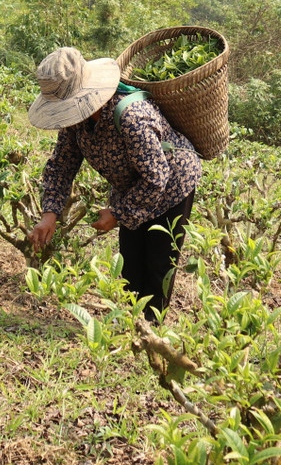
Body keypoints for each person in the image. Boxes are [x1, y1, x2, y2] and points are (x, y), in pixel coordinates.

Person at [26, 47, 202, 322]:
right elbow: (62, 164)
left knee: (158, 264)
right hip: (130, 188)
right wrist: (50, 214)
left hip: (172, 186)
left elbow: (156, 178)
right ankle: (131, 325)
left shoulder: (132, 118)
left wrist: (118, 214)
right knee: (131, 262)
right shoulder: (76, 123)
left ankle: (151, 333)